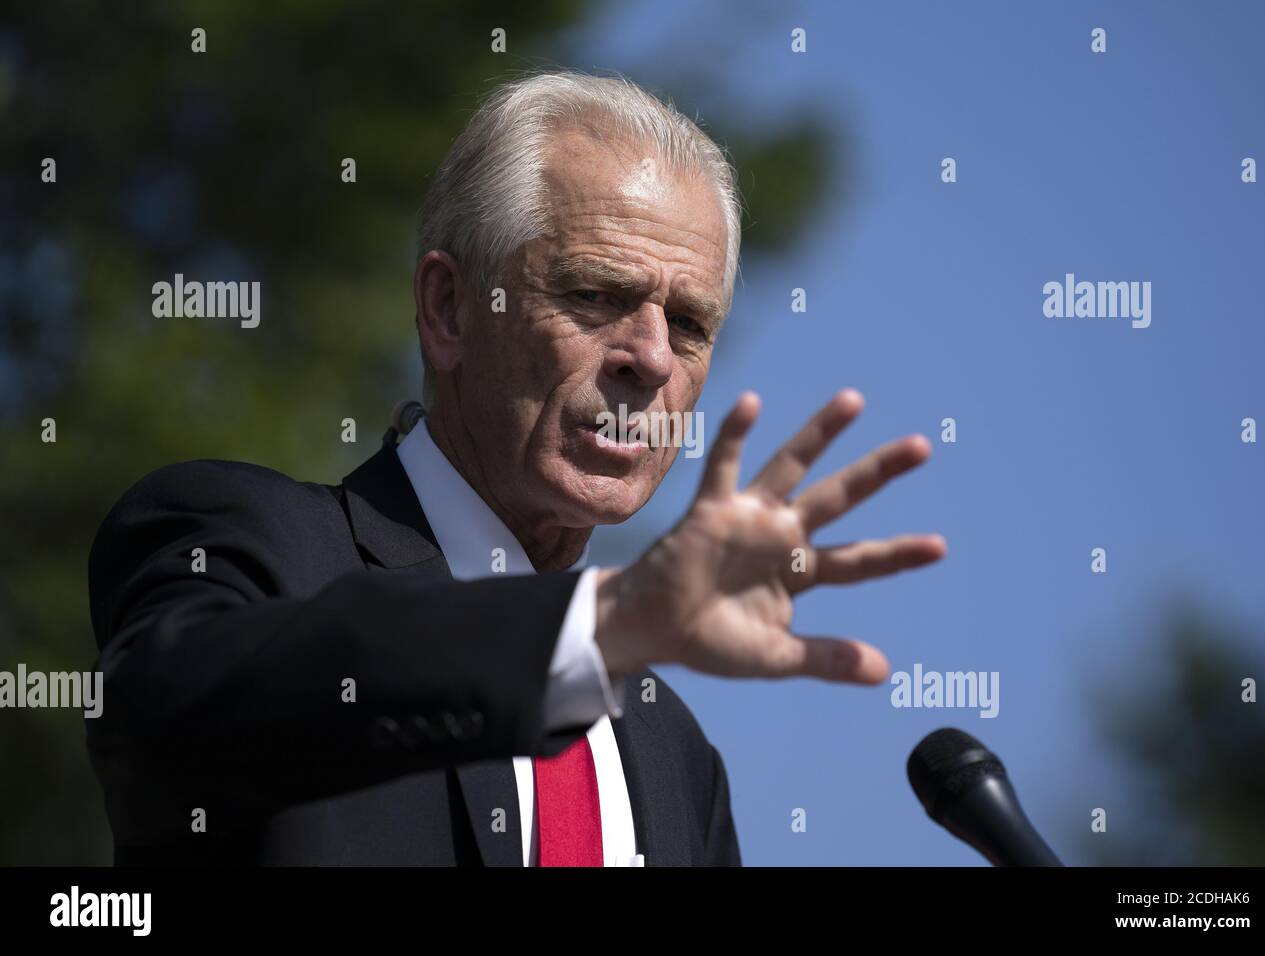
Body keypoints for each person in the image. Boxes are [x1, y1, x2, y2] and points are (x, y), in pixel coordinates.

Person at [86, 71, 946, 866]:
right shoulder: (245, 540)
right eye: (595, 294)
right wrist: (598, 629)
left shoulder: (676, 758)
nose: (649, 357)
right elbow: (158, 735)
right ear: (449, 309)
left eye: (688, 324)